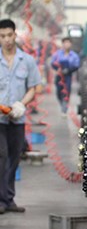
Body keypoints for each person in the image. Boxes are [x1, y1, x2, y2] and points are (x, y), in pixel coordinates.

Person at [0, 18, 42, 214]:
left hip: (17, 118)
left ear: (15, 35)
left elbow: (34, 87)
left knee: (14, 158)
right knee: (1, 157)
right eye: (2, 36)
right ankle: (1, 200)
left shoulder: (27, 60)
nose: (7, 39)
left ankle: (8, 199)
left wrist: (20, 105)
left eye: (9, 35)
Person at [50, 37, 80, 113]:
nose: (67, 44)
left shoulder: (74, 55)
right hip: (59, 76)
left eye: (68, 42)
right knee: (58, 91)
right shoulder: (57, 54)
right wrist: (57, 68)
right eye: (65, 42)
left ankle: (64, 108)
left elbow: (76, 65)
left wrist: (69, 70)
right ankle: (62, 104)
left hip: (68, 76)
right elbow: (53, 63)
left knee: (67, 91)